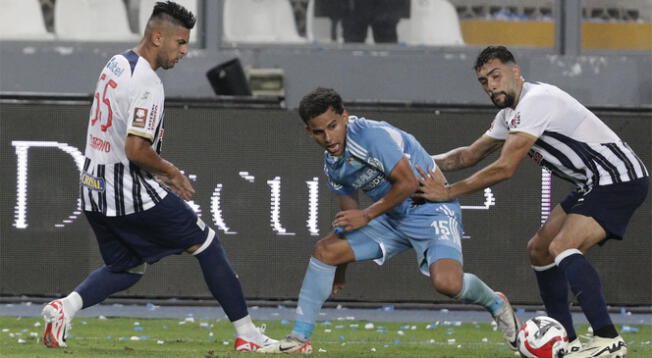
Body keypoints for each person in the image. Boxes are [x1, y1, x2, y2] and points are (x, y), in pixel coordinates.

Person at [40, 1, 275, 352]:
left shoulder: (117, 62)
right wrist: (170, 172)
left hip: (92, 187)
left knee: (128, 266)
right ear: (156, 37)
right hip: (126, 191)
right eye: (180, 42)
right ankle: (248, 335)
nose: (184, 51)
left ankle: (65, 308)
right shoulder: (148, 83)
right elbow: (136, 149)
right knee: (207, 243)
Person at [414, 46, 648, 358]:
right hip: (592, 181)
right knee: (539, 249)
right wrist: (414, 162)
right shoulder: (508, 116)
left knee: (563, 246)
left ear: (516, 71)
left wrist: (449, 192)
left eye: (495, 76)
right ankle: (566, 339)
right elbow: (468, 155)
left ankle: (609, 340)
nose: (491, 85)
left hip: (618, 177)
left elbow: (505, 168)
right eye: (484, 81)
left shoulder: (536, 101)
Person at [258, 87, 520, 354]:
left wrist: (368, 214)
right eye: (318, 132)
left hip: (429, 208)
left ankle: (496, 303)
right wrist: (340, 267)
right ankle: (299, 340)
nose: (328, 137)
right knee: (325, 251)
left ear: (345, 117)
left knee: (447, 284)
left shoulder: (372, 136)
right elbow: (349, 219)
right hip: (390, 216)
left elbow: (407, 184)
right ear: (308, 132)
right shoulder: (333, 164)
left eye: (333, 126)